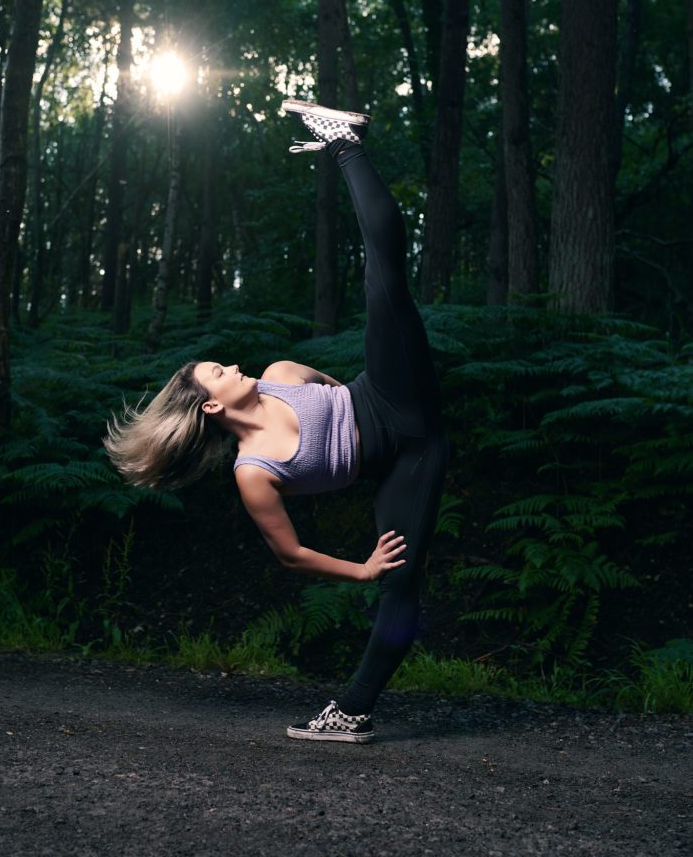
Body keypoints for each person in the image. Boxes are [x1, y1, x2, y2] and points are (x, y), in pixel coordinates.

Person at [105, 100, 449, 744]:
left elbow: (339, 391)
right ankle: (350, 713)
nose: (232, 365)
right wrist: (362, 569)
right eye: (218, 371)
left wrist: (367, 394)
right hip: (413, 457)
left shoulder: (281, 372)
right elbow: (290, 555)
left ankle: (344, 145)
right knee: (400, 583)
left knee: (385, 281)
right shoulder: (254, 473)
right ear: (211, 406)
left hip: (391, 396)